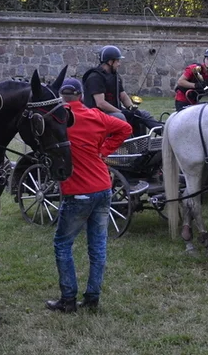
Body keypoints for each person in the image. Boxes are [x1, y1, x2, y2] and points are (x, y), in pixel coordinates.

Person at [45, 78, 132, 313]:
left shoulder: (59, 118)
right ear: (81, 95)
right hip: (103, 188)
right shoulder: (95, 115)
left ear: (62, 97)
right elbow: (126, 128)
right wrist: (103, 150)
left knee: (63, 244)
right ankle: (92, 298)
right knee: (97, 246)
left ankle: (68, 300)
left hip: (77, 192)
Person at [83, 45, 160, 134]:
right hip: (98, 115)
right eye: (118, 61)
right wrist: (121, 111)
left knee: (142, 115)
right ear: (110, 62)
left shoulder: (115, 76)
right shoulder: (95, 77)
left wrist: (131, 108)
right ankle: (127, 146)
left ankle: (163, 132)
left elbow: (123, 95)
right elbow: (100, 103)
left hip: (113, 111)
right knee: (120, 117)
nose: (119, 64)